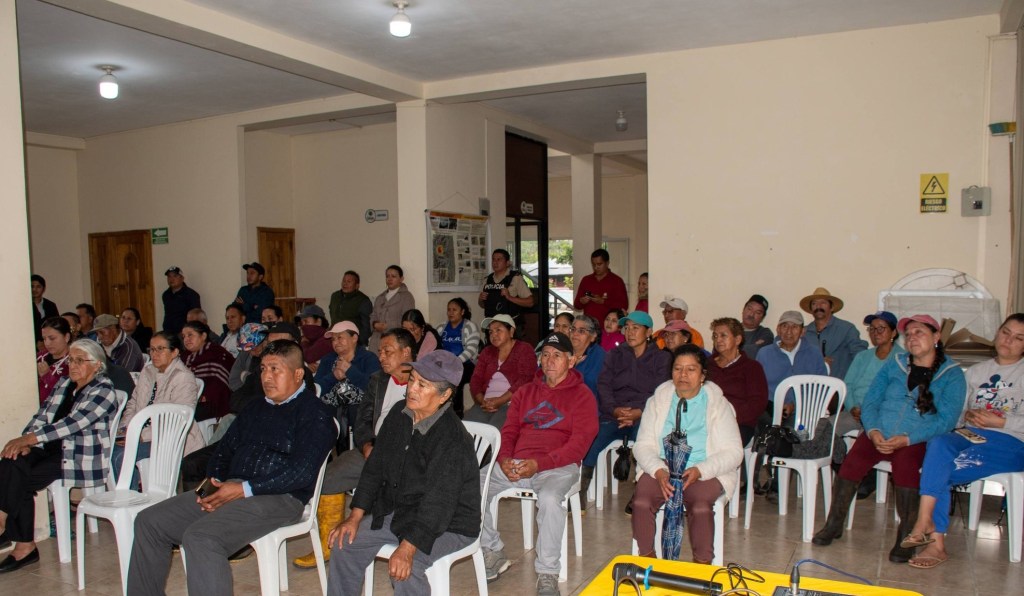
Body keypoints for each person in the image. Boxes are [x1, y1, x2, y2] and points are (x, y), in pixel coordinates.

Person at [126, 340, 337, 596]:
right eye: (263, 369)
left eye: (275, 369)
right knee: (150, 521)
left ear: (298, 373)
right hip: (234, 488)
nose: (266, 377)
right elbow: (224, 449)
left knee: (202, 537)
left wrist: (244, 489)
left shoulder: (315, 413)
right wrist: (214, 481)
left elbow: (301, 472)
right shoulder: (256, 407)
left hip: (281, 497)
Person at [812, 314, 965, 564]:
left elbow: (946, 420)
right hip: (879, 431)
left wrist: (907, 439)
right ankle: (834, 523)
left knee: (905, 469)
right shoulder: (895, 363)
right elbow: (871, 400)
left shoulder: (952, 373)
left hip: (915, 438)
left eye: (919, 332)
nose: (913, 338)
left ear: (936, 337)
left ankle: (906, 534)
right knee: (851, 463)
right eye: (909, 334)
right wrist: (871, 430)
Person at [326, 351, 481, 595]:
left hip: (450, 523)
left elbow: (438, 503)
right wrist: (354, 517)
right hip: (403, 511)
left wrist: (408, 548)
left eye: (423, 385)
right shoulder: (400, 414)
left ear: (445, 395)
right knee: (345, 544)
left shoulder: (452, 439)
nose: (412, 389)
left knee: (406, 568)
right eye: (412, 380)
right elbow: (375, 468)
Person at [900, 313, 1024, 569]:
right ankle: (926, 523)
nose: (1008, 340)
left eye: (1018, 338)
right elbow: (955, 412)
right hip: (970, 434)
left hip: (1010, 442)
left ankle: (935, 539)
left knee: (937, 467)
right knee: (938, 444)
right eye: (1005, 332)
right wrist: (966, 415)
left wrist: (1000, 422)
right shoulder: (976, 371)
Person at [481, 332, 598, 596]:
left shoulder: (583, 396)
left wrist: (540, 463)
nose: (549, 361)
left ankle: (547, 573)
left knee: (548, 499)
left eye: (557, 355)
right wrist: (505, 459)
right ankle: (492, 550)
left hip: (558, 466)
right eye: (545, 355)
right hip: (519, 463)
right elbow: (509, 431)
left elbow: (578, 446)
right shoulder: (525, 392)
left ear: (571, 361)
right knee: (474, 484)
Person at [292, 328, 416, 570]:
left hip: (405, 453)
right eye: (379, 351)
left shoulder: (424, 382)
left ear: (407, 352)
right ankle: (329, 543)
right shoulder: (378, 380)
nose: (381, 357)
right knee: (327, 479)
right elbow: (363, 419)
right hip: (373, 448)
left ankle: (402, 542)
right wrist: (367, 443)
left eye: (388, 351)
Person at [0, 339, 119, 573]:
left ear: (97, 365)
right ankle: (19, 540)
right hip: (47, 449)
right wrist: (26, 440)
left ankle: (18, 539)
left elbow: (72, 424)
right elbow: (42, 415)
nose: (72, 366)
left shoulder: (104, 390)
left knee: (16, 476)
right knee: (12, 460)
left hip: (76, 456)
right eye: (70, 360)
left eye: (79, 361)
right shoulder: (64, 384)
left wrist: (30, 440)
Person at [631, 344, 743, 563]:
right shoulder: (657, 402)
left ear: (703, 375)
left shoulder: (718, 405)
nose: (683, 375)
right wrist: (658, 471)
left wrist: (701, 470)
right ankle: (648, 562)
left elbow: (734, 452)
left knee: (700, 507)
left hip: (703, 466)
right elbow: (642, 445)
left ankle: (701, 569)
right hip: (663, 465)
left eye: (691, 369)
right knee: (641, 503)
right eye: (678, 368)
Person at [582, 310, 671, 505]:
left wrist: (639, 411)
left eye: (636, 328)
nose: (630, 332)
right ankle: (581, 489)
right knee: (591, 438)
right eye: (627, 328)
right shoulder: (615, 355)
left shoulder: (661, 358)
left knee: (647, 443)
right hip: (615, 414)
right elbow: (603, 385)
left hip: (645, 415)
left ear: (649, 333)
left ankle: (641, 491)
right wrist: (614, 409)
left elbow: (661, 391)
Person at [110, 332, 203, 488]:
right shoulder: (148, 371)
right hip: (141, 432)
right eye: (152, 349)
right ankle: (126, 493)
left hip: (168, 438)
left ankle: (129, 499)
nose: (155, 354)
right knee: (110, 448)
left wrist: (139, 435)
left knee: (121, 456)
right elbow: (133, 403)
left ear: (174, 352)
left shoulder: (183, 378)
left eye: (160, 349)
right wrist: (126, 429)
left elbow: (176, 422)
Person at [313, 321, 381, 451]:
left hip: (359, 414)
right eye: (333, 339)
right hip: (330, 413)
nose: (335, 342)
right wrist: (333, 377)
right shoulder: (328, 360)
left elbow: (375, 388)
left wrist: (350, 370)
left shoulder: (368, 358)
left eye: (340, 338)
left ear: (354, 338)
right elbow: (315, 389)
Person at [836, 311, 905, 439]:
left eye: (881, 328)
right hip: (855, 412)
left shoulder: (902, 359)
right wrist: (852, 407)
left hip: (881, 415)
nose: (875, 332)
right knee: (823, 428)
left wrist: (869, 411)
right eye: (872, 329)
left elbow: (898, 394)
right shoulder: (863, 356)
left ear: (893, 332)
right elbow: (847, 385)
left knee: (866, 440)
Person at [465, 314, 537, 430]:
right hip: (485, 403)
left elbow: (526, 379)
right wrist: (482, 401)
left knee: (493, 432)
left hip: (511, 403)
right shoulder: (487, 352)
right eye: (491, 332)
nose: (493, 335)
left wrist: (500, 400)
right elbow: (476, 380)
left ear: (511, 331)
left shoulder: (524, 349)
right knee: (465, 430)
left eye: (498, 330)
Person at [707, 317, 769, 447]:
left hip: (739, 423)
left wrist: (726, 418)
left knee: (719, 445)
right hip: (706, 421)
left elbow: (757, 403)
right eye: (715, 336)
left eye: (723, 336)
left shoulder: (751, 367)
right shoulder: (707, 365)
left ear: (737, 339)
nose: (718, 340)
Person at [756, 310, 827, 422]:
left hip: (805, 411)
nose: (789, 332)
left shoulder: (814, 353)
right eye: (784, 326)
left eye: (794, 327)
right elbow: (758, 387)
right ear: (778, 329)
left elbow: (821, 387)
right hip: (770, 410)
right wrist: (777, 405)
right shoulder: (764, 353)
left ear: (803, 331)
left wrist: (794, 404)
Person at [800, 287, 868, 379]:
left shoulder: (846, 329)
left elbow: (860, 357)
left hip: (840, 387)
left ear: (831, 307)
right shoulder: (804, 332)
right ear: (811, 309)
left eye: (823, 303)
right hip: (811, 388)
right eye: (814, 303)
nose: (818, 306)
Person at [181, 321, 236, 421]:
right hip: (188, 400)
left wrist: (202, 396)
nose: (186, 339)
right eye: (184, 336)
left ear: (203, 336)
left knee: (181, 415)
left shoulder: (217, 353)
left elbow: (219, 384)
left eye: (190, 335)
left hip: (213, 401)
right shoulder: (184, 357)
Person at [436, 297, 481, 418]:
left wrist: (455, 362)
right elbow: (435, 347)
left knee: (456, 376)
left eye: (454, 310)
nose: (451, 313)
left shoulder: (470, 326)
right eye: (449, 310)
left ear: (462, 312)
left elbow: (471, 350)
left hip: (466, 363)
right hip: (445, 363)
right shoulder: (441, 327)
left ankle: (457, 413)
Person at [479, 249, 535, 329]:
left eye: (499, 259)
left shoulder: (515, 278)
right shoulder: (487, 280)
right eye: (493, 259)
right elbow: (483, 305)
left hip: (510, 325)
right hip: (492, 325)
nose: (495, 262)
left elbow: (530, 302)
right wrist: (480, 299)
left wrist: (509, 297)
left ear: (507, 263)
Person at [573, 248, 628, 324]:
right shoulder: (586, 280)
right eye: (593, 264)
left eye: (599, 264)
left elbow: (623, 306)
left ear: (607, 263)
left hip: (609, 327)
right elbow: (576, 305)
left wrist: (603, 301)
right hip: (589, 327)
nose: (596, 267)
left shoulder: (617, 281)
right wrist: (582, 301)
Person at [369, 265, 415, 354]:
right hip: (377, 340)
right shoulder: (380, 297)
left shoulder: (407, 297)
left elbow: (408, 321)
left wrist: (387, 326)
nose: (390, 279)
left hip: (395, 340)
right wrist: (374, 324)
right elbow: (373, 316)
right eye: (387, 276)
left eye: (393, 276)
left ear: (401, 279)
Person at [37, 316, 72, 405]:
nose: (47, 343)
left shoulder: (75, 361)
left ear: (66, 337)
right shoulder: (39, 357)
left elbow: (70, 394)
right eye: (44, 339)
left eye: (52, 338)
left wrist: (47, 377)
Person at [569, 314, 606, 400]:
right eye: (573, 329)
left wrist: (572, 369)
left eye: (581, 331)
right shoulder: (563, 351)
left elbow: (589, 385)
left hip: (588, 404)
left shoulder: (599, 355)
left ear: (593, 336)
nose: (575, 334)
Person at [328, 270, 372, 341]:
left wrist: (359, 341)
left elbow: (366, 326)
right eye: (344, 281)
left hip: (352, 340)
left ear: (357, 286)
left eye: (349, 282)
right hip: (335, 338)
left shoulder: (363, 300)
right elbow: (332, 316)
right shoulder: (335, 296)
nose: (345, 284)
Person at [162, 266, 201, 334]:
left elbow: (196, 317)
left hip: (184, 334)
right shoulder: (166, 295)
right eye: (169, 276)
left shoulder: (191, 295)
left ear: (182, 278)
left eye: (175, 276)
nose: (172, 279)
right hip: (168, 333)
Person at [741, 294, 773, 359]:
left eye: (758, 312)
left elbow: (756, 351)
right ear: (743, 310)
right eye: (749, 309)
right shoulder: (729, 329)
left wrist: (729, 348)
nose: (751, 314)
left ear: (762, 318)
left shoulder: (765, 334)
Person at [30, 274, 59, 345]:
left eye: (38, 287)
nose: (34, 289)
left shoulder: (51, 305)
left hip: (49, 342)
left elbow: (56, 324)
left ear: (43, 288)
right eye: (32, 286)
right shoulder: (25, 306)